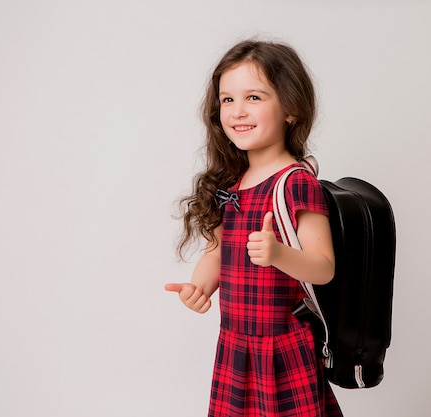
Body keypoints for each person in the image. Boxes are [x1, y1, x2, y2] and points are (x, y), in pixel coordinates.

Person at [165, 39, 343, 417]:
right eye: (227, 100)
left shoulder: (295, 182)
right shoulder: (231, 184)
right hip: (236, 347)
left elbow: (323, 266)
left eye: (254, 98)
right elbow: (216, 251)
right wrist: (199, 286)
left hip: (282, 349)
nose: (237, 111)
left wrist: (279, 254)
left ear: (291, 108)